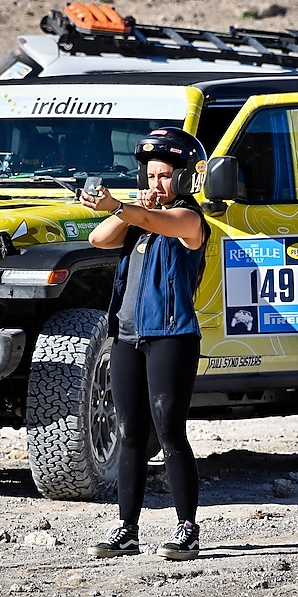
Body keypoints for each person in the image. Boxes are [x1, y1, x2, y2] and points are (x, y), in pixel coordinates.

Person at [80, 127, 211, 561]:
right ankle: (127, 529)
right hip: (127, 336)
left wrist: (124, 207)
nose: (155, 185)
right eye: (150, 176)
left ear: (186, 178)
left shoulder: (190, 220)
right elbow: (99, 239)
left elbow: (161, 222)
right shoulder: (138, 220)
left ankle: (187, 528)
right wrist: (122, 211)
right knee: (130, 433)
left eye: (164, 177)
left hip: (171, 337)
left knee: (170, 431)